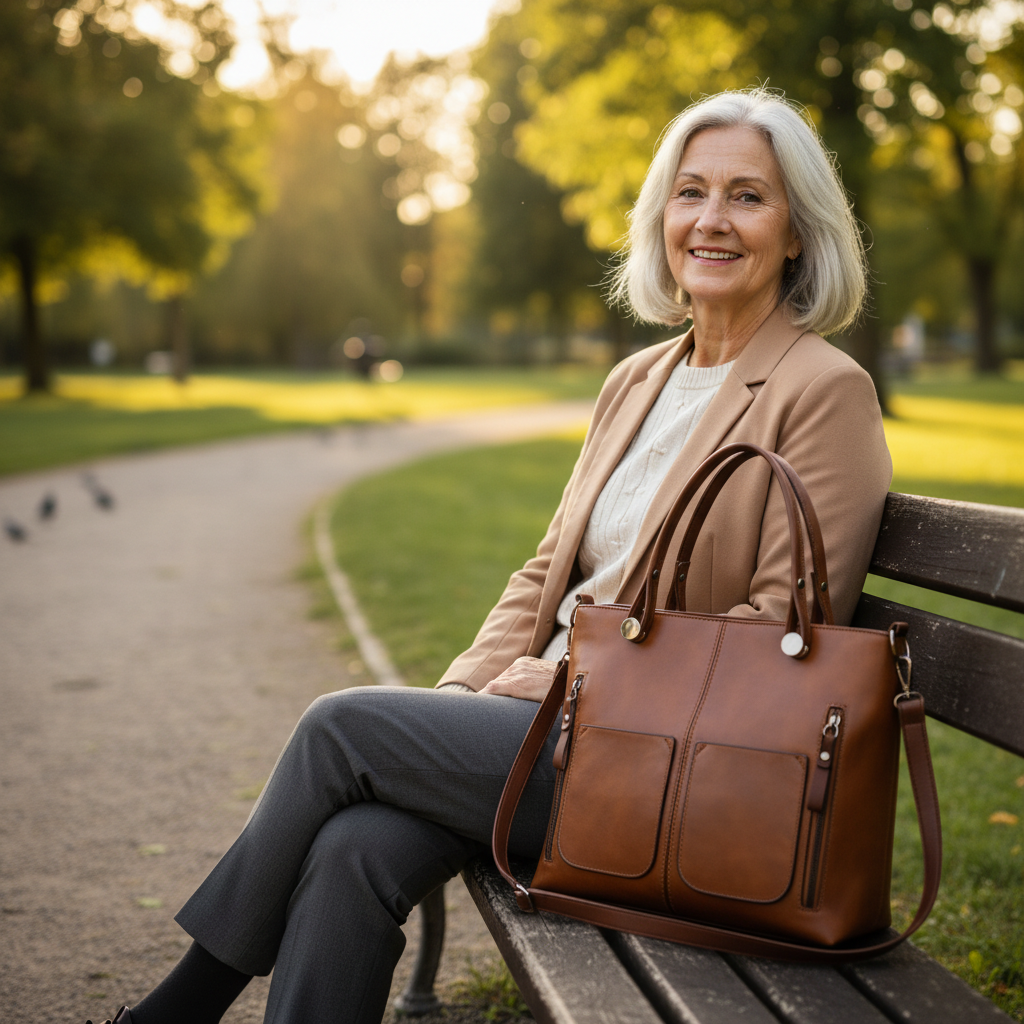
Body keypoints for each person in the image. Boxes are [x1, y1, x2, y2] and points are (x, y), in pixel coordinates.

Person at [88, 86, 891, 1024]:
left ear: (798, 232)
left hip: (660, 769)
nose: (711, 220)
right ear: (662, 215)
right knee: (355, 847)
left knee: (338, 727)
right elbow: (544, 572)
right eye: (691, 192)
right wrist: (465, 696)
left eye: (748, 197)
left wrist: (568, 691)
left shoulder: (824, 390)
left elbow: (778, 638)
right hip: (538, 733)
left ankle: (175, 1011)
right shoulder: (640, 378)